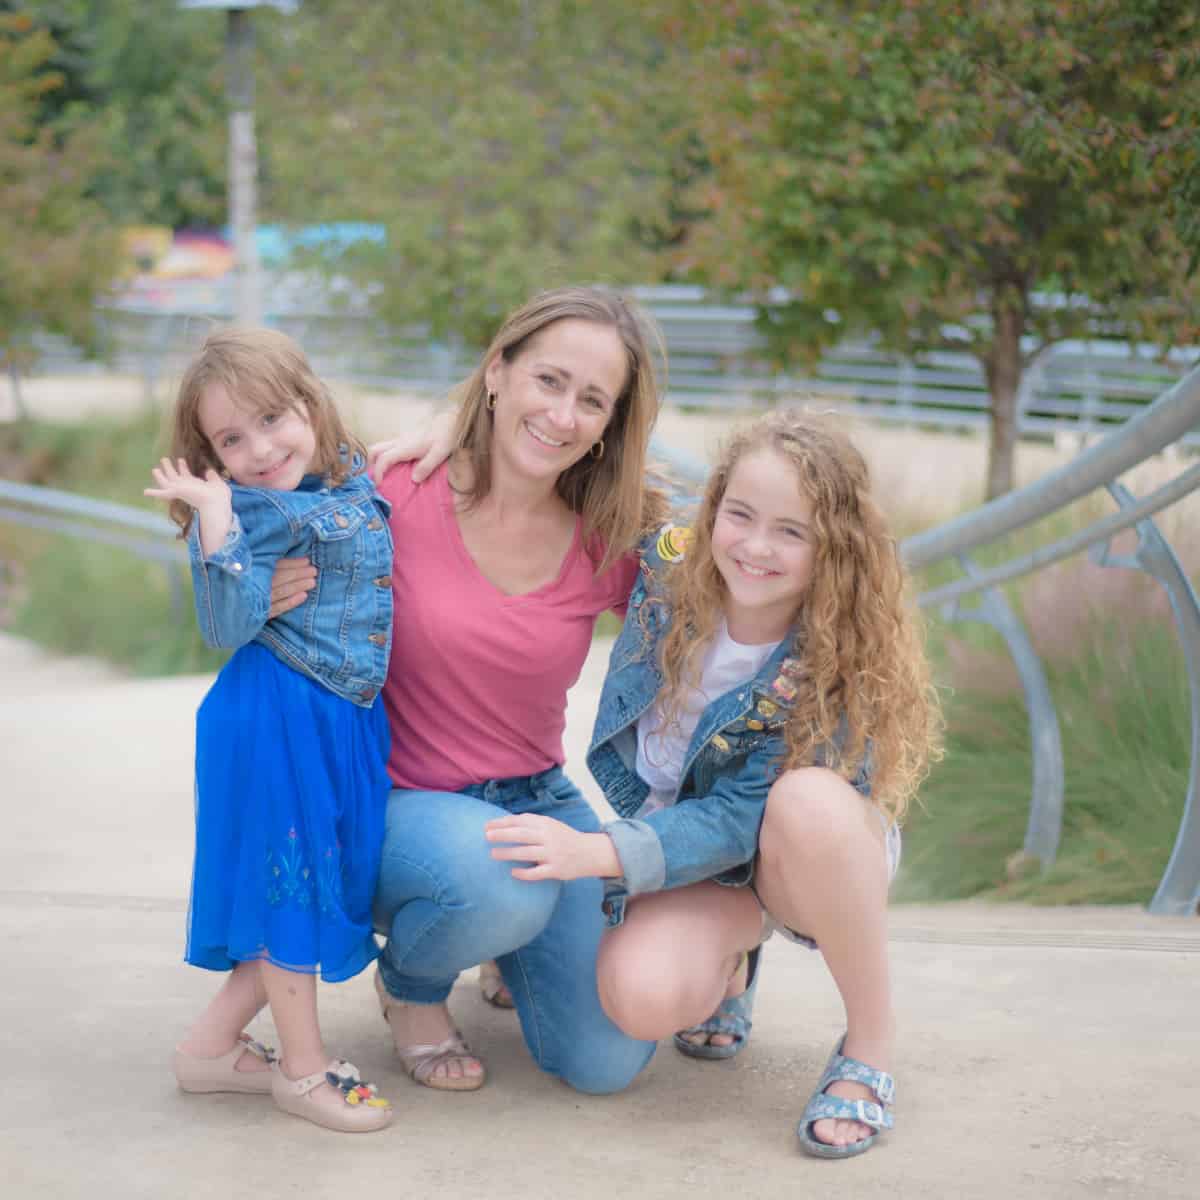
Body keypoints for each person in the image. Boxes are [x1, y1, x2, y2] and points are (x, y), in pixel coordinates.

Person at [485, 410, 941, 1157]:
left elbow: (738, 819)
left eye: (792, 532)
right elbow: (566, 475)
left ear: (834, 548)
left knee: (807, 801)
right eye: (741, 515)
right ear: (714, 507)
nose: (756, 547)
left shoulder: (836, 655)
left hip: (807, 860)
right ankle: (732, 962)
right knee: (639, 999)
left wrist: (598, 854)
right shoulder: (669, 571)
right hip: (700, 859)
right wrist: (449, 438)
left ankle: (869, 1044)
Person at [271, 286, 670, 1093]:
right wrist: (256, 581)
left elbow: (721, 586)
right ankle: (412, 987)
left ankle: (503, 945)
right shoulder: (394, 490)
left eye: (592, 401)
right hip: (400, 810)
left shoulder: (606, 537)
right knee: (496, 882)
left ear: (610, 424)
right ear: (499, 371)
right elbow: (253, 492)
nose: (563, 416)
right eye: (548, 381)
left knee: (606, 1062)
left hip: (536, 802)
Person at [146, 328, 395, 1134]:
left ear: (311, 404)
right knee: (292, 887)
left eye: (273, 419)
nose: (259, 449)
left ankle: (210, 1050)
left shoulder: (345, 477)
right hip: (276, 715)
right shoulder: (241, 509)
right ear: (210, 455)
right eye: (230, 439)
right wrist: (216, 518)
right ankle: (302, 1070)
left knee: (308, 887)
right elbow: (224, 623)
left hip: (336, 717)